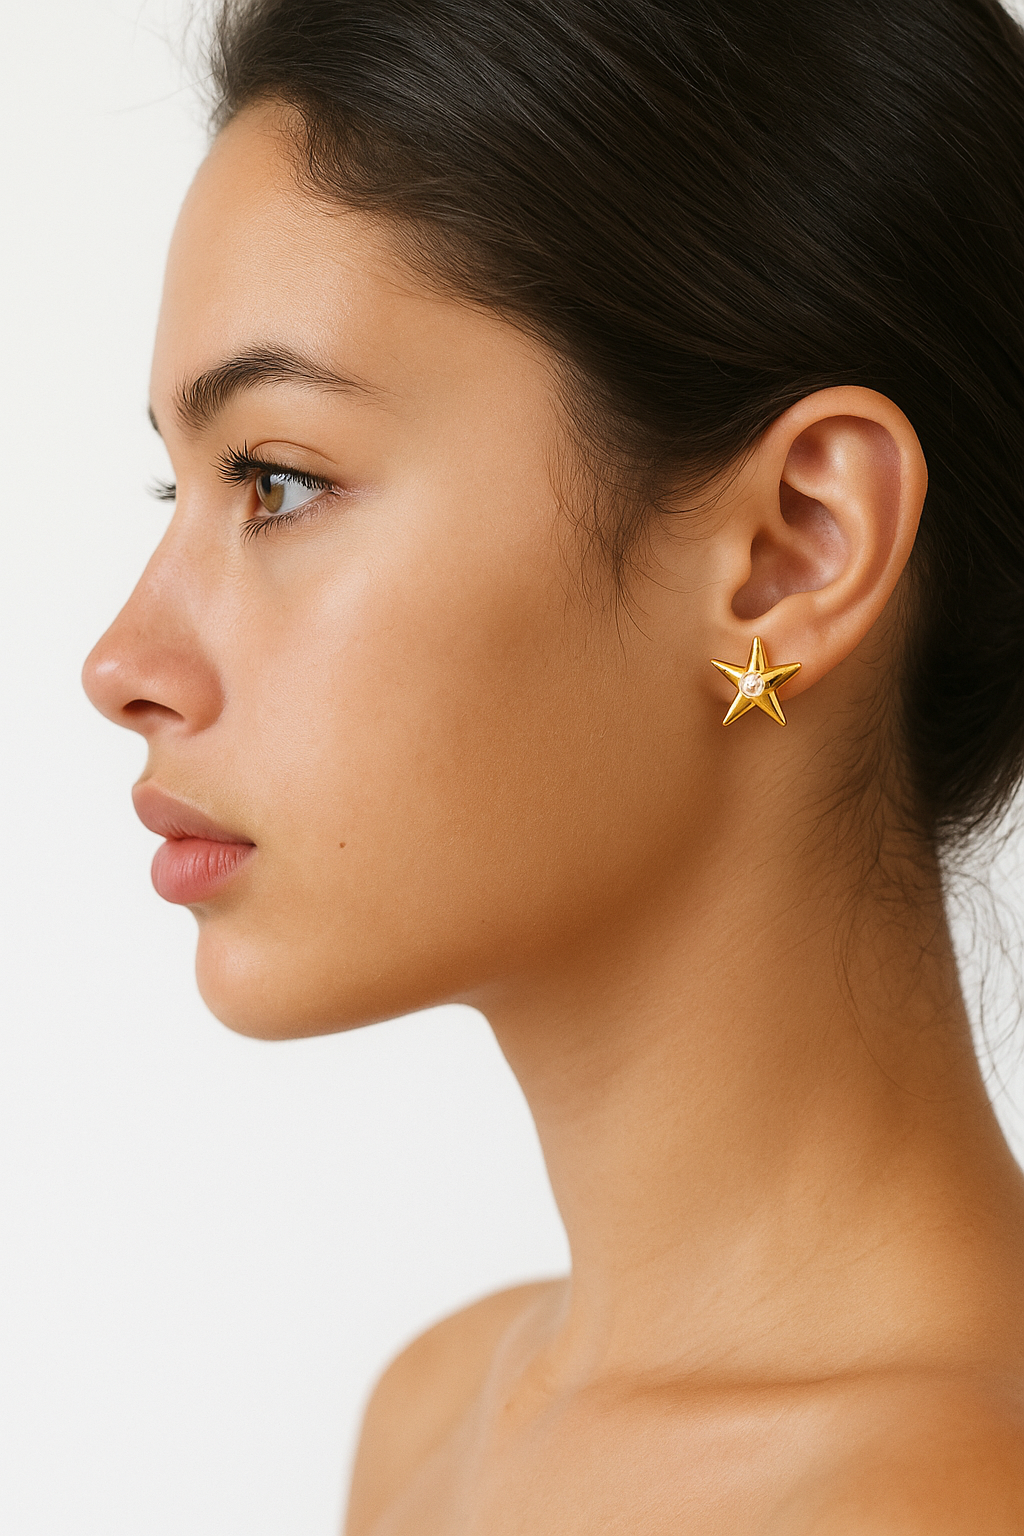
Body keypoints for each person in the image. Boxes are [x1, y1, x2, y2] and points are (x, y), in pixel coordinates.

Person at [83, 0, 1024, 1528]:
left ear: (796, 549)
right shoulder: (439, 1425)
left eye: (278, 478)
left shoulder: (944, 1496)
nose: (123, 666)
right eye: (174, 485)